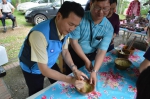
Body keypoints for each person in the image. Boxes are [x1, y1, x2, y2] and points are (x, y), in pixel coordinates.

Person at [18, 1, 88, 96]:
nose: (72, 29)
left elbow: (65, 51)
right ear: (59, 16)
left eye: (76, 26)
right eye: (71, 24)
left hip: (49, 62)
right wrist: (71, 80)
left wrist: (74, 69)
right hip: (33, 68)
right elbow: (44, 70)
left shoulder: (64, 29)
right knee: (36, 93)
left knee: (59, 84)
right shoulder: (39, 35)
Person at [65, 0, 114, 87]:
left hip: (92, 56)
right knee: (70, 82)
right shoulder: (80, 18)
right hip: (74, 55)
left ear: (110, 8)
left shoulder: (109, 28)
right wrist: (86, 60)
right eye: (97, 7)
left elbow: (101, 51)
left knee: (87, 80)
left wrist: (95, 71)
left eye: (105, 8)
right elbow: (74, 43)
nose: (100, 12)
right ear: (91, 4)